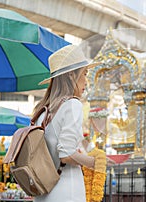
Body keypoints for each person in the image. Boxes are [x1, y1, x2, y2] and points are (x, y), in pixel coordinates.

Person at [33, 44, 103, 202]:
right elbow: (66, 154)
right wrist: (95, 163)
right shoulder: (72, 104)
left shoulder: (42, 110)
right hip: (66, 191)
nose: (86, 81)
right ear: (72, 75)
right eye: (84, 74)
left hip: (43, 193)